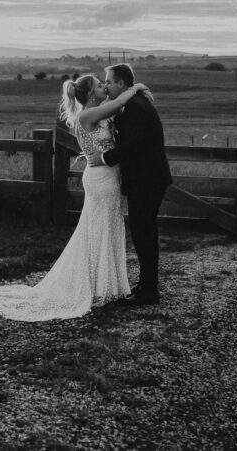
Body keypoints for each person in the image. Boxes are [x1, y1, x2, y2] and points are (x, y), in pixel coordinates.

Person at [0, 74, 146, 321]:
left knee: (106, 228)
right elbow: (118, 104)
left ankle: (107, 284)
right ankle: (98, 286)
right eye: (99, 85)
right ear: (89, 93)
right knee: (100, 229)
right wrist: (137, 87)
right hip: (101, 179)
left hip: (109, 175)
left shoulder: (99, 112)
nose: (103, 87)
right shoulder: (87, 115)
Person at [88, 64, 172, 305]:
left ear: (122, 83)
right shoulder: (132, 104)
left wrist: (103, 158)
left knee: (144, 232)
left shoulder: (135, 108)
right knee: (143, 231)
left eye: (109, 81)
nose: (106, 85)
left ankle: (150, 289)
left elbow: (132, 146)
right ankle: (146, 284)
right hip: (146, 179)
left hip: (147, 180)